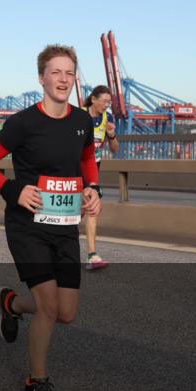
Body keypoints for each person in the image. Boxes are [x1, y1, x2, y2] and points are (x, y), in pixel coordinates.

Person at [0, 44, 102, 391]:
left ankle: (11, 304)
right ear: (42, 78)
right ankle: (37, 383)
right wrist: (13, 190)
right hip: (26, 226)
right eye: (56, 72)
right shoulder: (23, 123)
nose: (63, 79)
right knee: (47, 307)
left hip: (64, 227)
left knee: (66, 312)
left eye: (69, 73)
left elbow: (87, 159)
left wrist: (92, 189)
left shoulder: (81, 121)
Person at [80, 85, 119, 270]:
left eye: (109, 102)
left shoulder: (108, 118)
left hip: (93, 168)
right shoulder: (78, 115)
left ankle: (92, 255)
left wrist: (112, 135)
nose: (107, 105)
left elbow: (115, 149)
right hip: (74, 168)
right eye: (104, 101)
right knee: (79, 211)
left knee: (91, 209)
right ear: (93, 99)